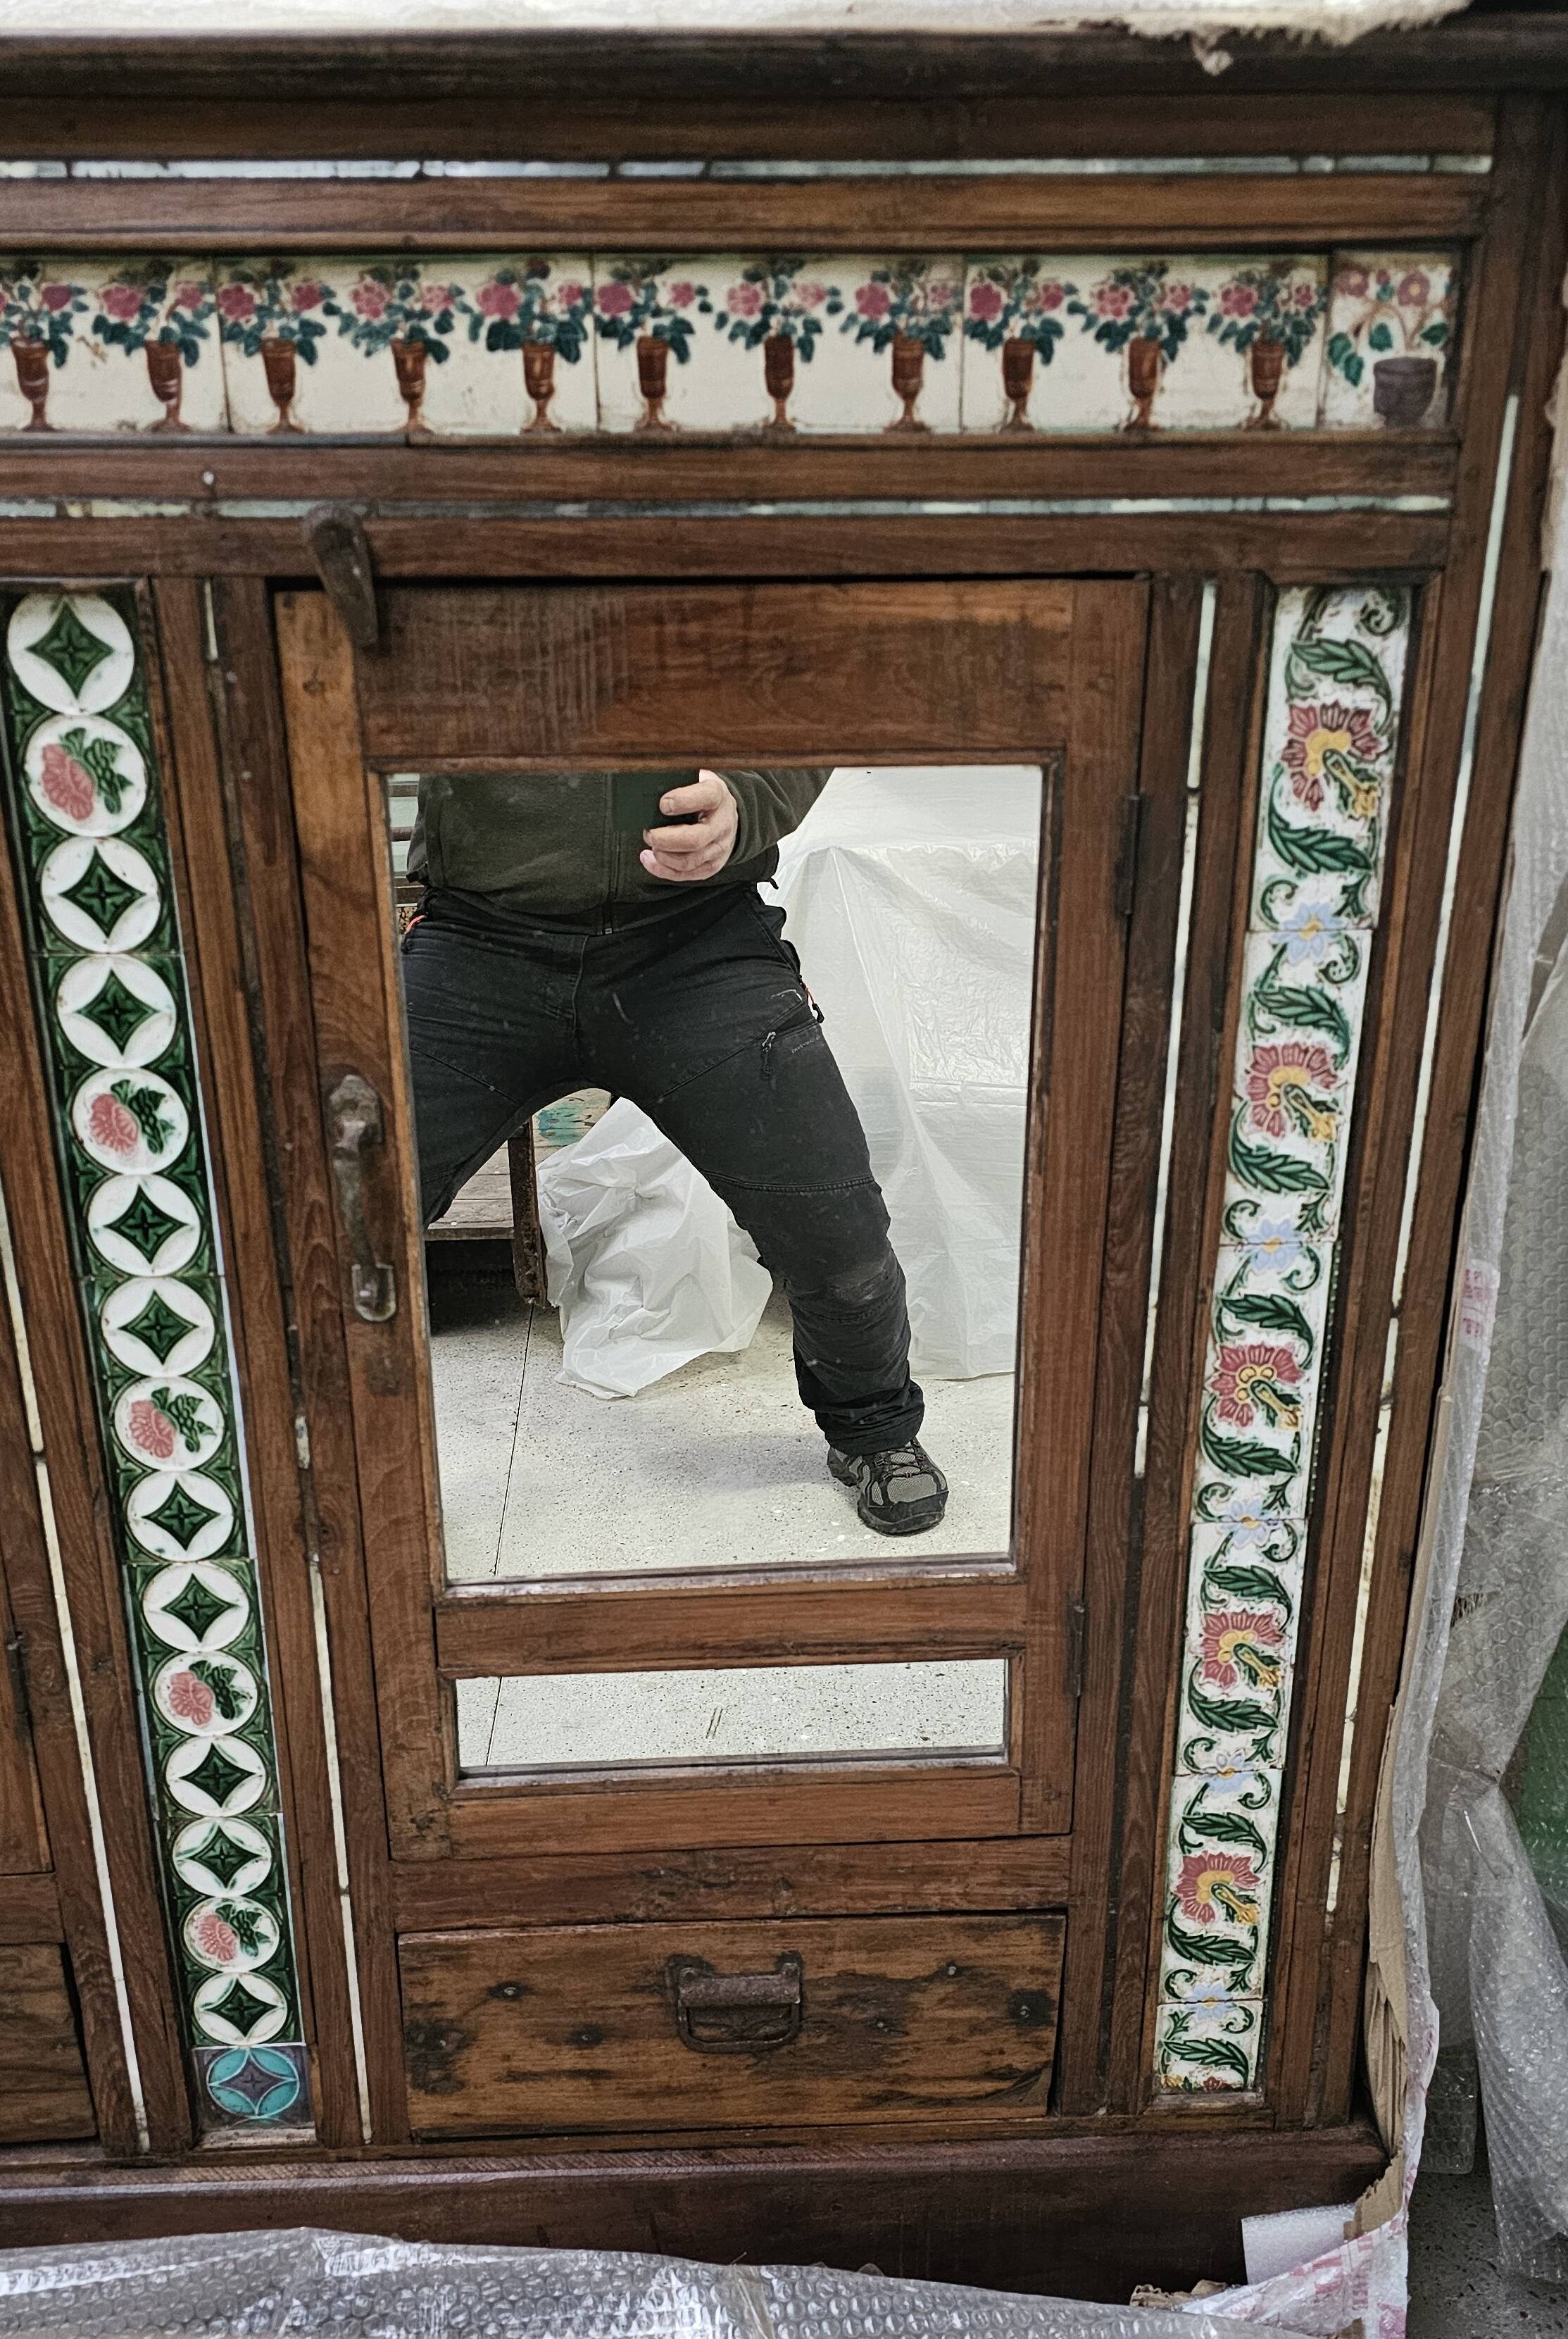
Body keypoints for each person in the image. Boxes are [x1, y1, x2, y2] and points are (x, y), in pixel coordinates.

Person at [400, 765, 948, 1535]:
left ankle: (874, 1429)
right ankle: (295, 1438)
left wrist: (748, 801)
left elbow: (803, 694)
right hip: (478, 940)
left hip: (698, 940)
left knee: (836, 1234)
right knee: (326, 1222)